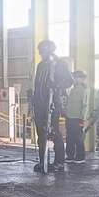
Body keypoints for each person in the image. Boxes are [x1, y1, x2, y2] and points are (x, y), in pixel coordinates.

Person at [32, 40, 72, 173]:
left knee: (54, 131)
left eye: (42, 51)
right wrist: (34, 99)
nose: (40, 53)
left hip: (52, 103)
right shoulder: (41, 65)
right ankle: (42, 161)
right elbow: (37, 84)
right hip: (40, 103)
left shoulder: (59, 64)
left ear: (49, 50)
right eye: (40, 51)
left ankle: (59, 162)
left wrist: (56, 85)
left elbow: (69, 81)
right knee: (41, 132)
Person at [65, 70, 88, 163]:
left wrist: (82, 118)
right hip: (70, 116)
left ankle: (80, 156)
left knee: (78, 138)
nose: (74, 79)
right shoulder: (72, 89)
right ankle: (70, 156)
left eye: (76, 77)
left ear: (82, 78)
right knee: (69, 137)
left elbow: (85, 105)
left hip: (78, 117)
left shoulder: (84, 90)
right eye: (74, 77)